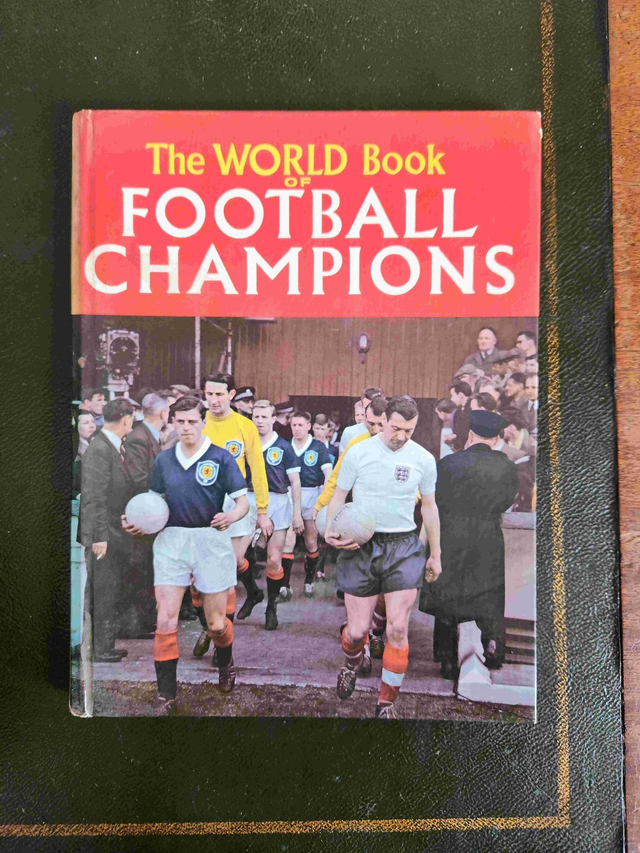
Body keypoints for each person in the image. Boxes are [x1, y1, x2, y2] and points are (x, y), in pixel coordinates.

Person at [124, 396, 250, 712]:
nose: (186, 427)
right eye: (180, 421)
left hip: (210, 539)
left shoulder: (220, 457)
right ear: (172, 422)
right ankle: (166, 695)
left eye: (192, 421)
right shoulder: (164, 460)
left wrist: (231, 516)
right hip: (171, 541)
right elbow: (152, 505)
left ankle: (225, 660)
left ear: (203, 422)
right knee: (165, 619)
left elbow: (242, 502)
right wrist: (139, 524)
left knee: (217, 625)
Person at [325, 396, 441, 719]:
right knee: (356, 632)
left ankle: (386, 703)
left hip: (403, 546)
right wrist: (329, 529)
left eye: (409, 430)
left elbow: (429, 507)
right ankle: (351, 663)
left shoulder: (423, 459)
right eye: (395, 428)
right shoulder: (358, 452)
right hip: (361, 546)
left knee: (398, 629)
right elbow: (338, 496)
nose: (401, 436)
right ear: (383, 421)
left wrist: (436, 554)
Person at [419, 409, 519, 679]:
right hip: (487, 534)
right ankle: (492, 645)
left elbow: (434, 501)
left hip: (451, 533)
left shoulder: (448, 463)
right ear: (495, 438)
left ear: (471, 435)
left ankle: (447, 659)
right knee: (489, 590)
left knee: (448, 593)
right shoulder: (508, 467)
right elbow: (506, 502)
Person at [202, 372, 271, 623]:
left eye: (219, 394)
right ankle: (250, 593)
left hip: (236, 503)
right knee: (209, 567)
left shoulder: (245, 426)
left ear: (231, 395)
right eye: (209, 394)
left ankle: (222, 631)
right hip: (203, 502)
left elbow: (258, 470)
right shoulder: (198, 423)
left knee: (230, 565)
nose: (214, 400)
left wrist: (262, 511)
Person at [80, 397, 135, 662]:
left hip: (112, 530)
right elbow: (94, 497)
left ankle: (105, 645)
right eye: (132, 420)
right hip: (103, 534)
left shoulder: (110, 445)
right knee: (102, 589)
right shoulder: (100, 448)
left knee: (109, 588)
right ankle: (99, 649)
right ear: (126, 419)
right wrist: (99, 537)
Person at [248, 400, 304, 623]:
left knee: (273, 558)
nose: (260, 421)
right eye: (256, 416)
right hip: (249, 499)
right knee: (239, 556)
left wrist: (297, 513)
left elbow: (295, 481)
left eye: (264, 417)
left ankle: (271, 607)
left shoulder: (283, 447)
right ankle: (252, 592)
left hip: (277, 501)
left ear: (273, 419)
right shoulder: (246, 442)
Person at [121, 393, 170, 638]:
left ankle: (143, 620)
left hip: (148, 511)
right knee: (139, 567)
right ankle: (135, 624)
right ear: (164, 413)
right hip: (142, 513)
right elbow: (139, 479)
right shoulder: (139, 438)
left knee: (146, 566)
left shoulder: (147, 435)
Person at [290, 410, 333, 596]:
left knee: (310, 540)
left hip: (311, 494)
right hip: (289, 495)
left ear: (309, 426)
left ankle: (309, 581)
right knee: (287, 541)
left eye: (300, 425)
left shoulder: (318, 447)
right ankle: (284, 585)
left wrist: (324, 499)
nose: (297, 429)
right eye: (294, 425)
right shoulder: (286, 446)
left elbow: (329, 474)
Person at [339, 388, 384, 453]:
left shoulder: (394, 432)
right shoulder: (349, 433)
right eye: (367, 407)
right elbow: (343, 458)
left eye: (376, 407)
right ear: (362, 407)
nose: (371, 411)